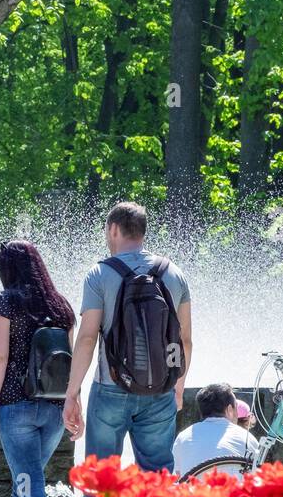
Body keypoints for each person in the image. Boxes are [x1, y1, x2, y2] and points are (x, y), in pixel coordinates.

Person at [63, 202, 193, 474]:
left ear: (113, 229)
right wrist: (177, 387)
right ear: (143, 232)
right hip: (160, 389)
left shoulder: (100, 274)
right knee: (158, 477)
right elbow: (185, 340)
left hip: (110, 387)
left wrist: (72, 392)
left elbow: (87, 338)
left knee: (101, 479)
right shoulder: (174, 273)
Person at [0, 241, 77, 497]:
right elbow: (71, 360)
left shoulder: (5, 300)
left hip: (16, 406)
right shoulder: (61, 306)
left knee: (29, 484)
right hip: (53, 409)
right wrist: (73, 401)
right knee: (26, 483)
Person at [171, 383, 258, 477]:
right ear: (229, 409)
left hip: (195, 490)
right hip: (231, 490)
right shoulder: (247, 438)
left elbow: (177, 475)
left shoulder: (183, 437)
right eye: (235, 407)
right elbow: (255, 474)